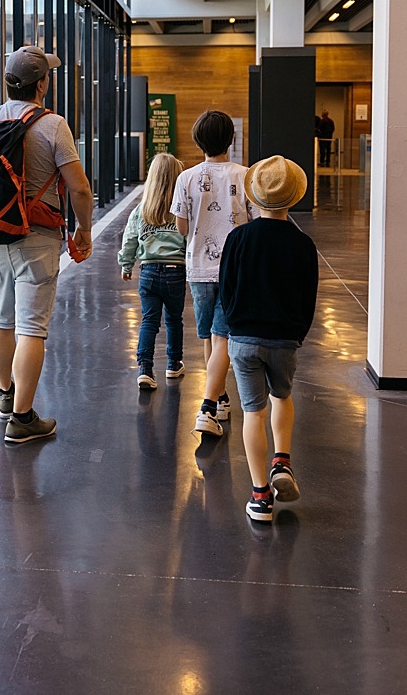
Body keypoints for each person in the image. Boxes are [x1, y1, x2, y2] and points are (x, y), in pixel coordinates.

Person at [0, 45, 94, 444]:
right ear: (42, 84)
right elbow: (79, 188)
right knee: (32, 327)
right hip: (37, 236)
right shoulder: (52, 125)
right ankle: (23, 417)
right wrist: (84, 231)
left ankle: (4, 395)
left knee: (0, 318)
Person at [219, 155, 317, 523]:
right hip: (284, 339)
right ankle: (282, 461)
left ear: (255, 199)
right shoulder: (303, 244)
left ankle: (260, 496)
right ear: (292, 198)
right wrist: (297, 334)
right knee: (282, 397)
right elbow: (309, 296)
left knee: (252, 412)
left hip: (243, 338)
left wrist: (233, 324)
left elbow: (226, 289)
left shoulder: (238, 238)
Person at [170, 109, 256, 438]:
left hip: (197, 268)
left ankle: (219, 398)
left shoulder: (186, 177)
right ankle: (208, 407)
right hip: (234, 269)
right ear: (230, 140)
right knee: (223, 338)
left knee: (208, 336)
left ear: (197, 141)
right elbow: (254, 220)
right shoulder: (244, 175)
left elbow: (181, 227)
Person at [118, 153, 186, 389]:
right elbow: (190, 238)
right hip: (176, 271)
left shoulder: (142, 209)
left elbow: (130, 239)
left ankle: (145, 368)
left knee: (149, 321)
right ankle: (173, 363)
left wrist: (126, 265)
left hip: (147, 272)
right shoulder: (181, 210)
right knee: (174, 320)